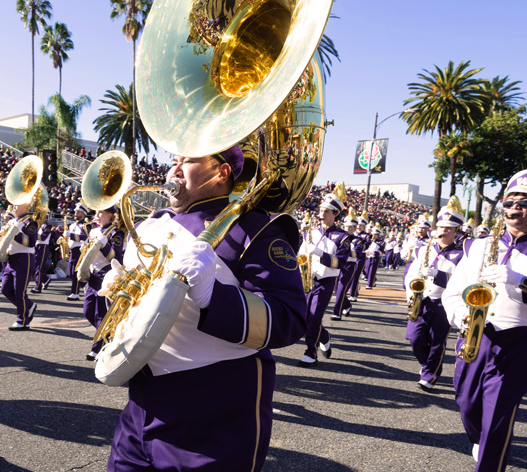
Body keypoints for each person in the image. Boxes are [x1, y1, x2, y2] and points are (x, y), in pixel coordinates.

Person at [103, 145, 307, 471]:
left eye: (187, 161)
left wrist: (214, 296)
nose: (175, 169)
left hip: (214, 413)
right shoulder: (150, 225)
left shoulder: (255, 229)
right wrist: (115, 294)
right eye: (174, 161)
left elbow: (290, 318)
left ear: (221, 172)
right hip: (140, 405)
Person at [442, 155, 527, 470]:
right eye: (509, 202)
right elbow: (452, 291)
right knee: (466, 404)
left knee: (498, 419)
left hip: (520, 343)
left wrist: (522, 283)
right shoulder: (476, 246)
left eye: (525, 203)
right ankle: (481, 442)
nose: (514, 208)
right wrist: (461, 315)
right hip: (474, 337)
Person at [403, 197, 465, 392]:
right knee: (415, 339)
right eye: (440, 227)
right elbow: (411, 275)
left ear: (456, 231)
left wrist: (439, 276)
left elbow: (461, 283)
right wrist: (411, 294)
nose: (443, 231)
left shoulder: (462, 254)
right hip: (422, 301)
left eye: (448, 228)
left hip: (444, 303)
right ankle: (427, 364)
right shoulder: (424, 250)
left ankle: (430, 374)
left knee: (438, 341)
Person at [298, 182, 350, 367]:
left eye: (326, 211)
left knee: (314, 317)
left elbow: (341, 263)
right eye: (321, 210)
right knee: (304, 318)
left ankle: (310, 352)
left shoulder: (342, 237)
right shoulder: (310, 232)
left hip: (325, 281)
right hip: (307, 279)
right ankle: (325, 336)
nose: (321, 214)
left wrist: (320, 254)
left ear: (335, 214)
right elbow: (301, 256)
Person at [82, 204, 126, 360]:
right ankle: (108, 336)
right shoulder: (94, 231)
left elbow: (117, 259)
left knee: (101, 313)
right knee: (87, 311)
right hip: (94, 274)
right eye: (96, 212)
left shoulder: (116, 233)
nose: (97, 215)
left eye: (101, 212)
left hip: (107, 275)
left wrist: (104, 245)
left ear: (110, 215)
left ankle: (97, 348)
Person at [0, 198, 39, 330]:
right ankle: (29, 306)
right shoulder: (12, 221)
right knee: (5, 289)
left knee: (19, 291)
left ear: (26, 205)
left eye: (17, 204)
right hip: (11, 258)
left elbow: (31, 242)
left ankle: (23, 320)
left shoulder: (30, 222)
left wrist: (14, 234)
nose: (14, 206)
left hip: (25, 258)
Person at [330, 213, 358, 320]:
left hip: (349, 266)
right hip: (338, 264)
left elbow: (357, 254)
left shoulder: (358, 240)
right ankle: (346, 305)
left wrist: (344, 251)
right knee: (335, 288)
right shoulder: (340, 237)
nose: (349, 228)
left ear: (355, 229)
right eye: (347, 227)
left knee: (341, 289)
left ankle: (337, 313)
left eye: (351, 227)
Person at [66, 203, 91, 301]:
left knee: (76, 272)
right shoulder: (72, 225)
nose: (75, 213)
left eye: (78, 212)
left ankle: (75, 293)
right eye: (75, 211)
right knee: (71, 272)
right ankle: (85, 284)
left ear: (83, 214)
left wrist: (70, 235)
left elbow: (84, 238)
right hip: (73, 250)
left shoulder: (85, 225)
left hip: (80, 250)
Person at [31, 215, 54, 293]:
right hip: (37, 246)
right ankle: (45, 279)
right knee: (34, 266)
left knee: (39, 267)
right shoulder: (38, 226)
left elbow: (43, 237)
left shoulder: (46, 226)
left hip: (43, 247)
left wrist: (32, 233)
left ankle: (38, 287)